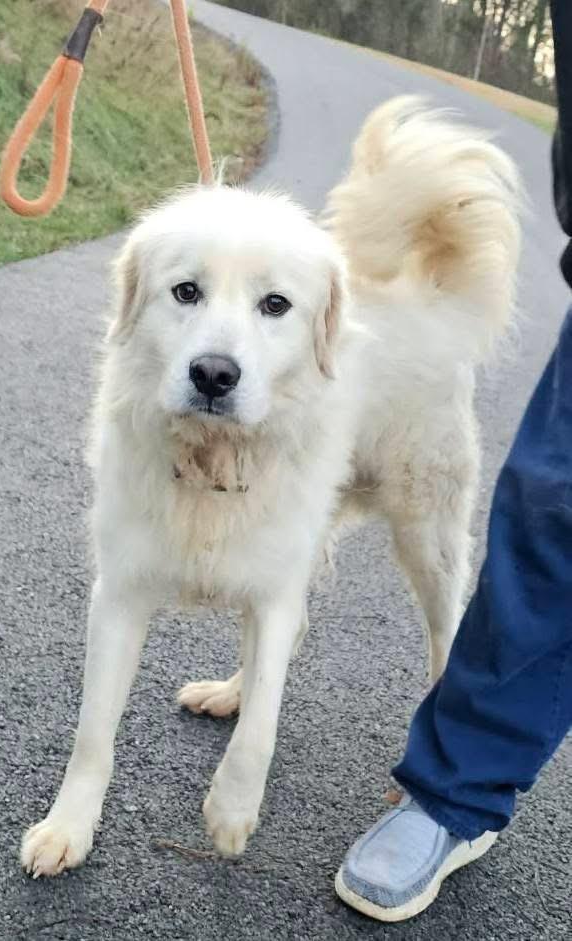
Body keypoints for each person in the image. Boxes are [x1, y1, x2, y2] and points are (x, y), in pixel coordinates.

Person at [335, 0, 572, 923]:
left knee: (454, 545)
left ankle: (449, 703)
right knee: (556, 504)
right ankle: (456, 788)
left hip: (416, 404)